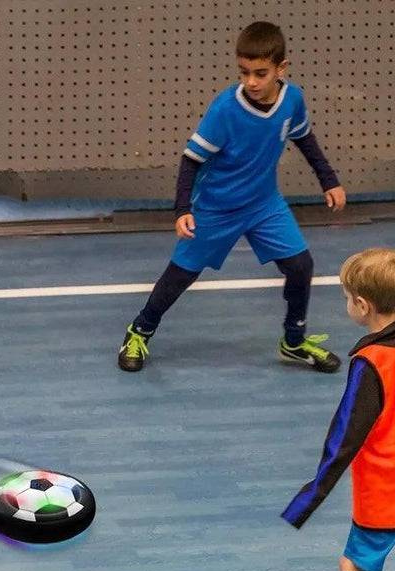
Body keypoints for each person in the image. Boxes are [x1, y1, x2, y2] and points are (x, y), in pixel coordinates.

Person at [117, 21, 347, 374]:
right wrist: (182, 209)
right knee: (181, 274)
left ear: (281, 68)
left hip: (264, 204)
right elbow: (192, 159)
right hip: (216, 208)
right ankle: (140, 330)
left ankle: (294, 341)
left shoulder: (293, 100)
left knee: (301, 267)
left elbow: (305, 139)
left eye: (260, 73)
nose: (251, 82)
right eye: (244, 72)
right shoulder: (225, 108)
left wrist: (329, 180)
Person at [282, 248, 395, 571]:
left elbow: (343, 440)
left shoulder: (370, 363)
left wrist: (306, 501)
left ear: (362, 304)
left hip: (387, 493)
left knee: (352, 564)